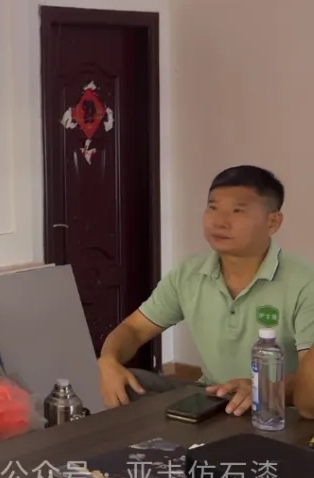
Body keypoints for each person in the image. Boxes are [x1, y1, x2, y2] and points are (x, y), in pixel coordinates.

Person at [97, 165, 314, 416]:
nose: (219, 221)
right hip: (211, 396)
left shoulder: (304, 281)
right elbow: (134, 329)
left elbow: (310, 377)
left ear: (273, 221)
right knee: (126, 382)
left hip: (278, 408)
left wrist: (263, 387)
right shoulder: (189, 273)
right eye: (213, 207)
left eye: (237, 210)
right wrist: (108, 359)